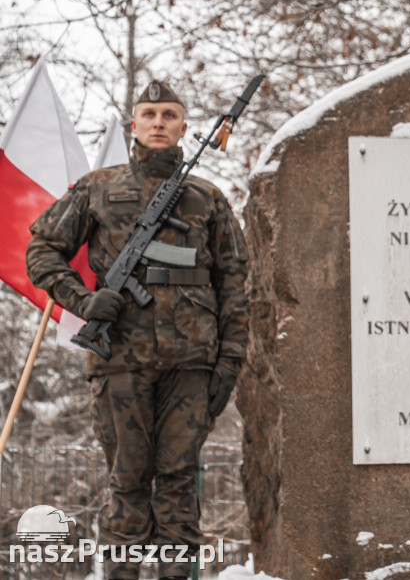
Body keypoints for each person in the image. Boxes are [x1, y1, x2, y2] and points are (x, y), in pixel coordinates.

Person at [26, 80, 250, 580]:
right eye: (148, 114)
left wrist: (229, 363)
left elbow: (235, 285)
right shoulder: (97, 188)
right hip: (119, 363)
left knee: (177, 486)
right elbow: (40, 251)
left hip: (192, 369)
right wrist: (83, 300)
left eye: (169, 115)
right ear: (134, 123)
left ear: (184, 128)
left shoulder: (208, 199)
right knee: (127, 485)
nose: (157, 123)